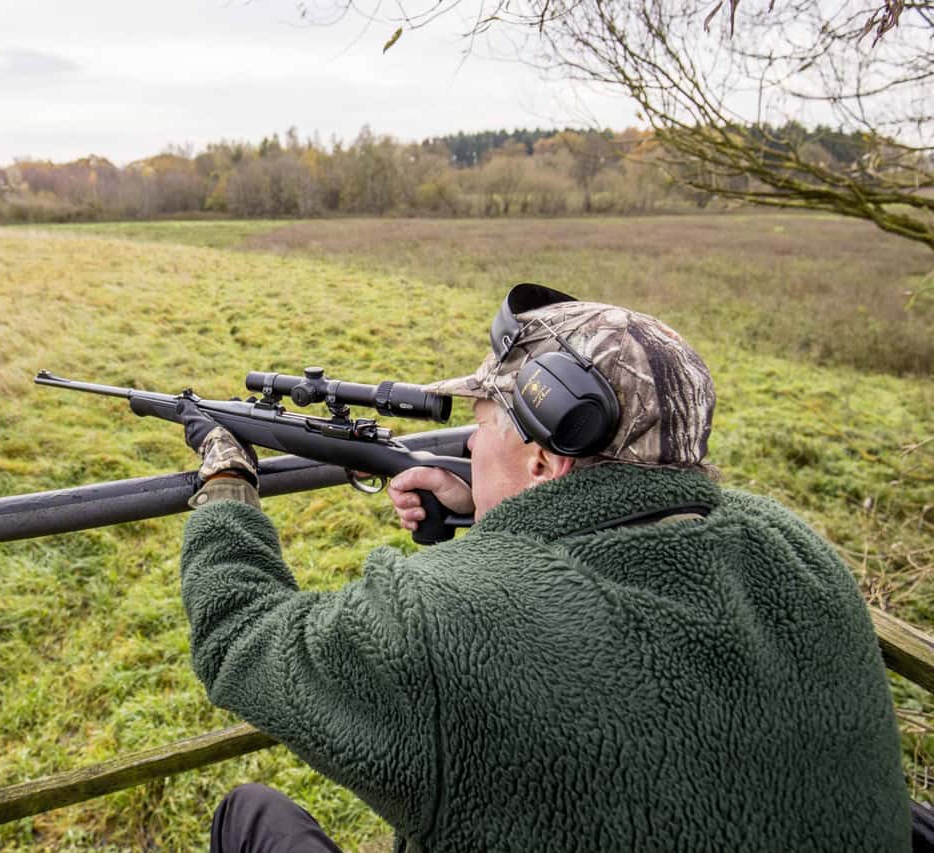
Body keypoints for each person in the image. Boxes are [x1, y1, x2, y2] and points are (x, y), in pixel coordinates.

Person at [175, 285, 910, 852]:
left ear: (540, 456)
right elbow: (620, 525)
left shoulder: (442, 623)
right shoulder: (796, 550)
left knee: (250, 812)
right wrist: (487, 508)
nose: (468, 445)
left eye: (483, 421)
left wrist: (226, 483)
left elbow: (240, 635)